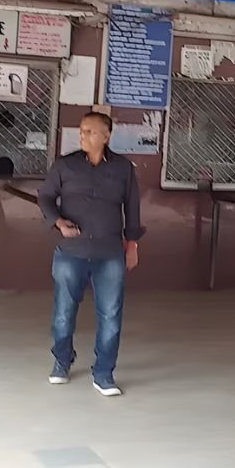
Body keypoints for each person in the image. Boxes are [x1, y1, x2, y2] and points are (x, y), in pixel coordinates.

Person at [36, 112, 144, 396]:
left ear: (106, 136)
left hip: (109, 253)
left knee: (110, 314)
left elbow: (132, 207)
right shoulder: (65, 166)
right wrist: (58, 222)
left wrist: (132, 245)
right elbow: (45, 196)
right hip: (71, 251)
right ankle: (61, 361)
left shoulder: (123, 169)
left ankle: (104, 373)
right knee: (63, 312)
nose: (82, 136)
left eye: (89, 131)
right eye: (81, 131)